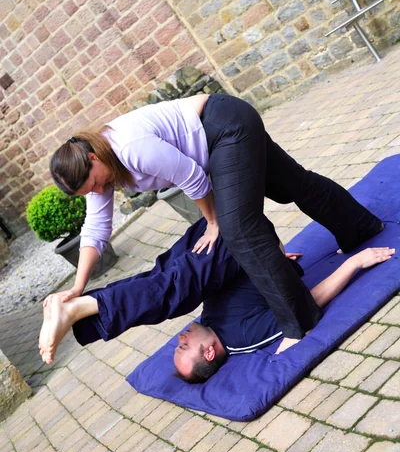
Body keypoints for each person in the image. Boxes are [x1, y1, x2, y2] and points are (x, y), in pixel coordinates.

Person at [49, 93, 384, 352]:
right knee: (293, 183)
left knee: (238, 229)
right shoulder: (98, 171)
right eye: (87, 191)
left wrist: (213, 222)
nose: (95, 191)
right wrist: (78, 286)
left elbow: (192, 177)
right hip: (220, 133)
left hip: (225, 126)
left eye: (92, 184)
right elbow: (95, 230)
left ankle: (301, 321)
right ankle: (361, 227)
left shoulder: (130, 148)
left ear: (93, 158)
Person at [39, 219, 394, 383]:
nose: (179, 340)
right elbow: (306, 305)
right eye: (183, 348)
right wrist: (354, 263)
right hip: (239, 236)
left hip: (222, 240)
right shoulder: (243, 337)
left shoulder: (211, 324)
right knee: (172, 291)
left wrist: (270, 264)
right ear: (209, 353)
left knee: (164, 279)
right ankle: (79, 309)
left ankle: (84, 309)